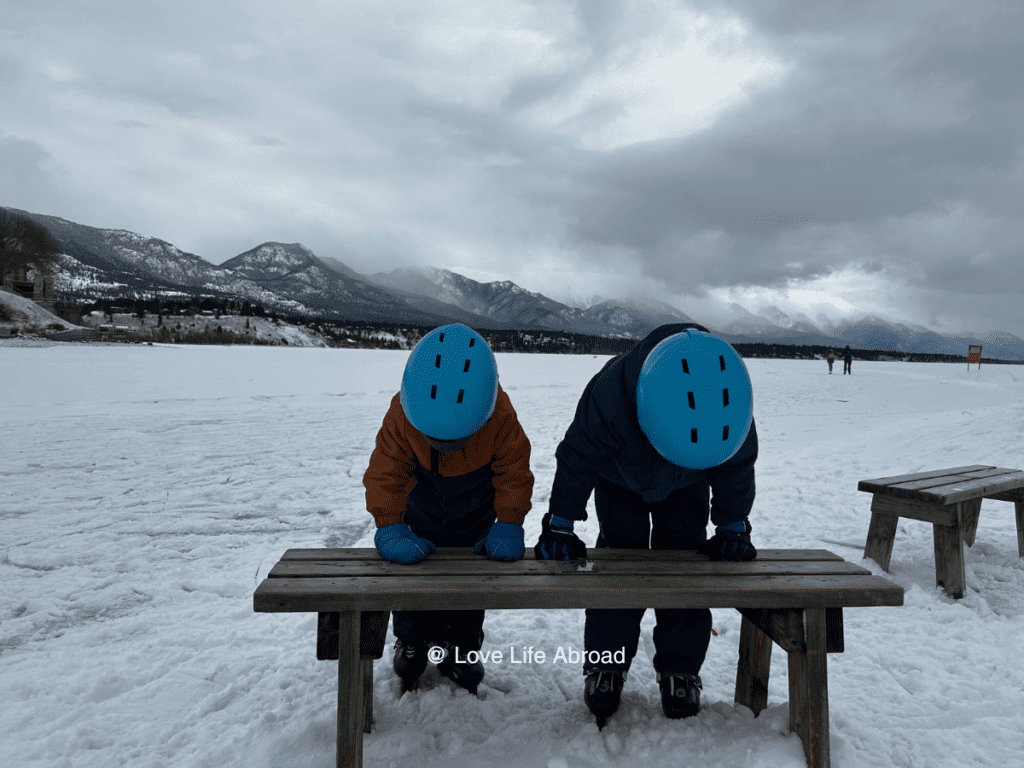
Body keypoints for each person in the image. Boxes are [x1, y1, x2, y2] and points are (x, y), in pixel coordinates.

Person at [534, 323, 757, 726]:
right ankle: (607, 665)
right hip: (620, 483)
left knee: (686, 569)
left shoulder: (728, 400)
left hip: (688, 485)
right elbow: (578, 457)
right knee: (617, 567)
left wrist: (733, 526)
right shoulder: (610, 393)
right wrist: (560, 523)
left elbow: (736, 466)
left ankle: (681, 670)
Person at [363, 323, 534, 695]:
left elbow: (514, 472)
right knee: (412, 583)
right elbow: (385, 472)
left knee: (470, 589)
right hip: (419, 512)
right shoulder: (401, 413)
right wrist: (389, 524)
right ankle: (411, 641)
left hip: (476, 516)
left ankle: (463, 649)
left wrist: (509, 522)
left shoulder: (501, 417)